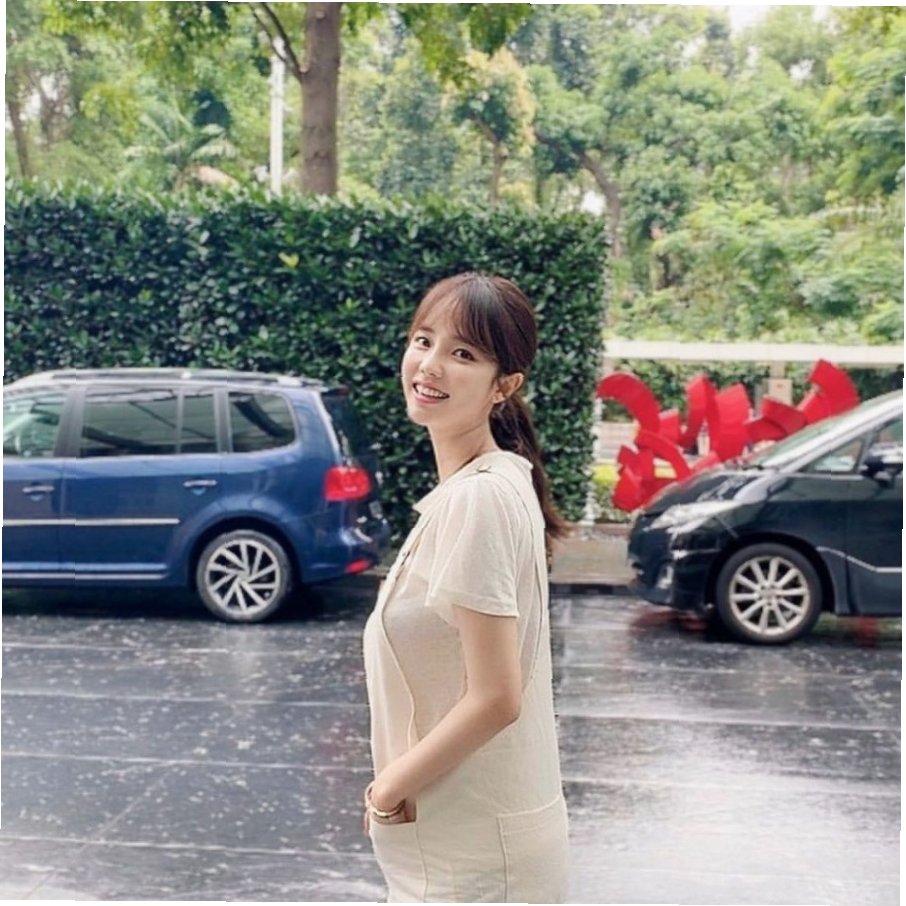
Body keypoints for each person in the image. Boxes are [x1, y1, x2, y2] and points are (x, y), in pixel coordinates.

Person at [362, 273, 570, 903]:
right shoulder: (493, 481)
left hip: (472, 855)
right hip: (467, 840)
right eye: (423, 340)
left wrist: (388, 788)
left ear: (504, 386)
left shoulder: (480, 498)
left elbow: (497, 696)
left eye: (463, 354)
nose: (430, 365)